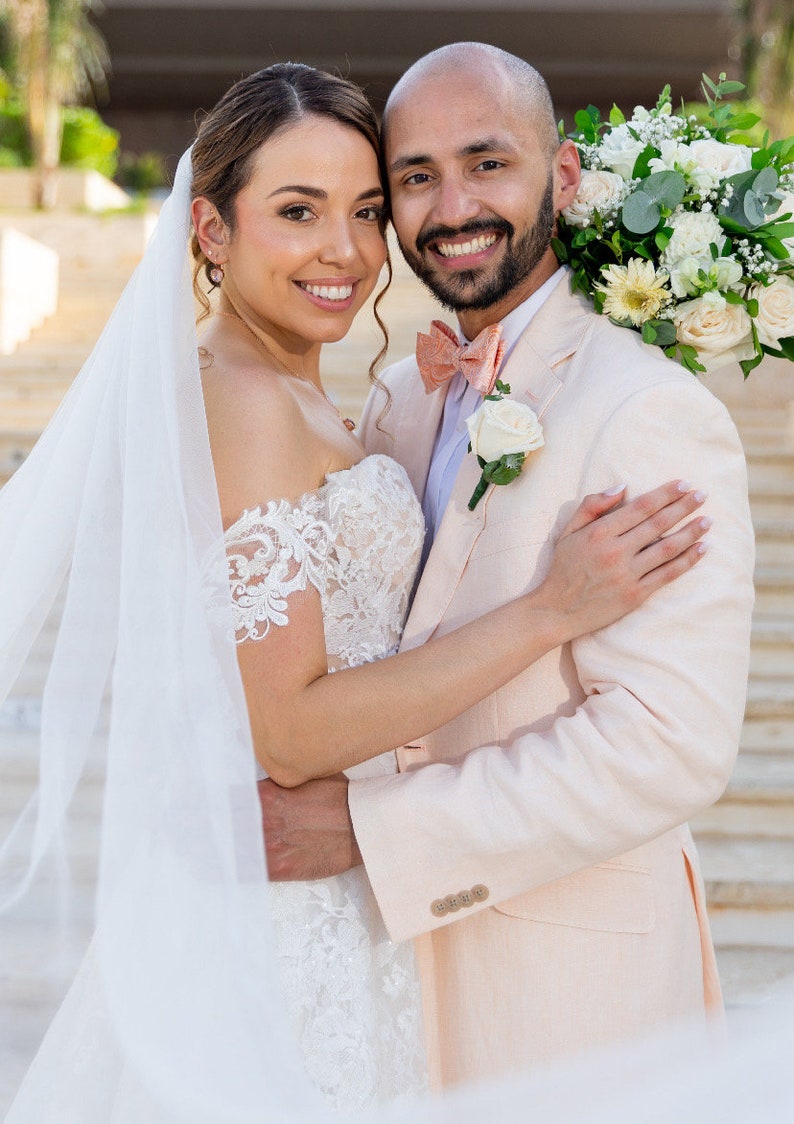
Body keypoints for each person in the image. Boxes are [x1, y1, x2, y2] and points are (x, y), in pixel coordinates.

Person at [0, 62, 709, 1119]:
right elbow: (286, 728)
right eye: (297, 211)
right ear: (209, 230)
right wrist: (549, 610)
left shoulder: (331, 391)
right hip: (287, 917)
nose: (344, 251)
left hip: (363, 907)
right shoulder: (241, 398)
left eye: (366, 210)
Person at [258, 43, 756, 1089]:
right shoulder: (397, 396)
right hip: (383, 980)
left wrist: (368, 830)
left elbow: (668, 745)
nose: (452, 206)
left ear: (562, 177)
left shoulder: (646, 408)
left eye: (487, 163)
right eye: (416, 176)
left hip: (569, 1000)